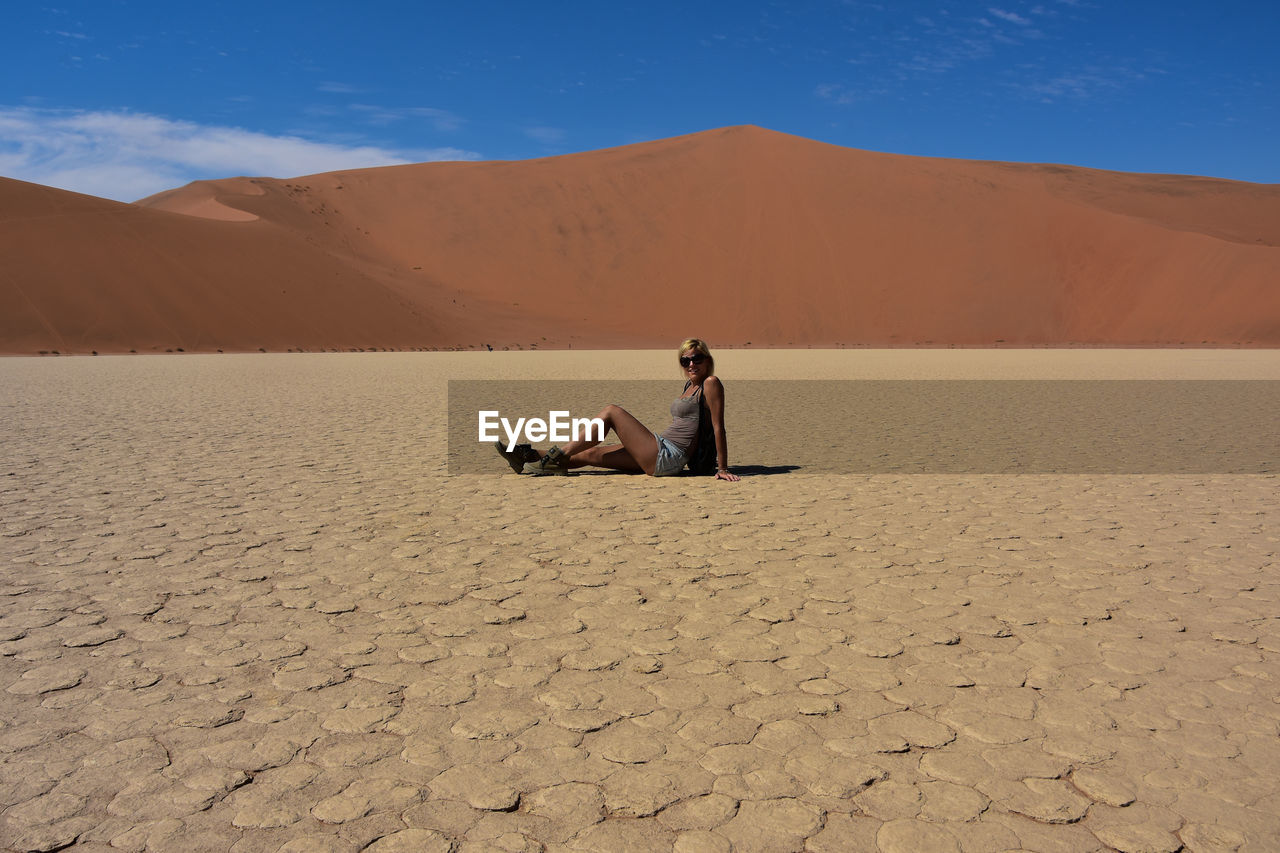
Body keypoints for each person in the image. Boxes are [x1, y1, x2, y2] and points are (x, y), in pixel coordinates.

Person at [496, 338, 740, 481]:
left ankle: (555, 454)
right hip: (661, 449)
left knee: (612, 411)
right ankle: (527, 458)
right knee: (591, 455)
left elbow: (719, 427)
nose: (691, 364)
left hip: (668, 455)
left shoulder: (710, 383)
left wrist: (722, 468)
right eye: (685, 361)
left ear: (707, 359)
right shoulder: (690, 384)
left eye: (697, 358)